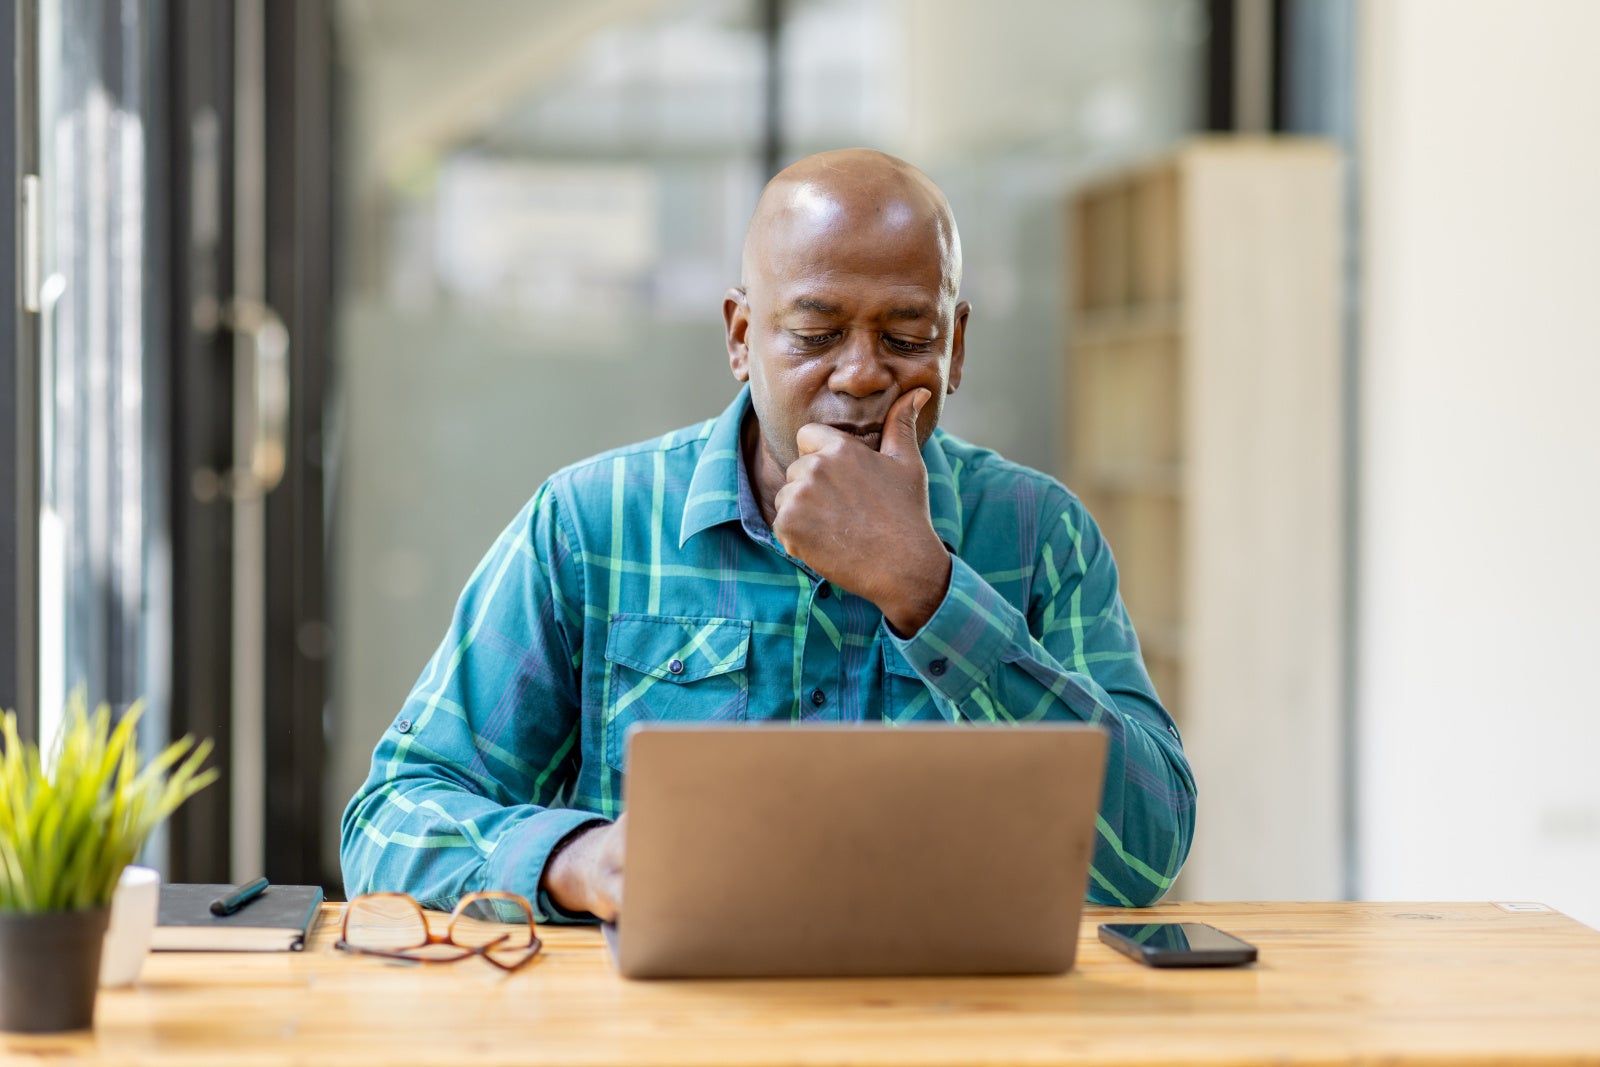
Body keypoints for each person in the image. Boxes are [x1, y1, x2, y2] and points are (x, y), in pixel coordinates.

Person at [341, 148, 1196, 922]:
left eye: (907, 336)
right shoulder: (590, 524)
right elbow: (390, 817)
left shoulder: (1039, 534)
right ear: (742, 337)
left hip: (957, 1025)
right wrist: (577, 858)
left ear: (957, 347)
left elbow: (1145, 856)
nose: (861, 373)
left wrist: (927, 591)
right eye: (816, 334)